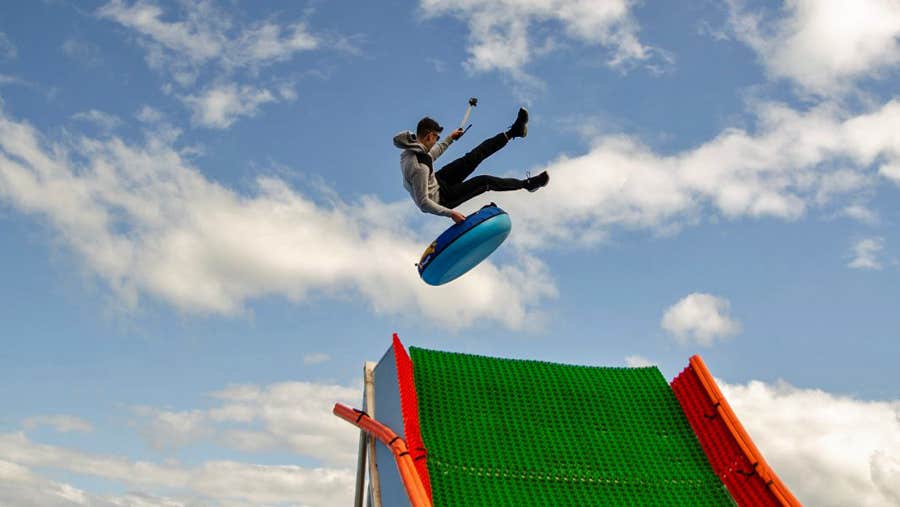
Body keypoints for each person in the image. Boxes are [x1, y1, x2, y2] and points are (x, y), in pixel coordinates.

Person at [394, 108, 550, 223]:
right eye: (436, 137)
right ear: (429, 136)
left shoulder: (416, 150)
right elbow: (423, 204)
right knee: (484, 181)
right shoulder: (418, 167)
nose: (436, 141)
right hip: (441, 198)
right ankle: (527, 184)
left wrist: (449, 138)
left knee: (474, 156)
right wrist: (451, 213)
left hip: (438, 180)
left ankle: (514, 132)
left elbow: (431, 154)